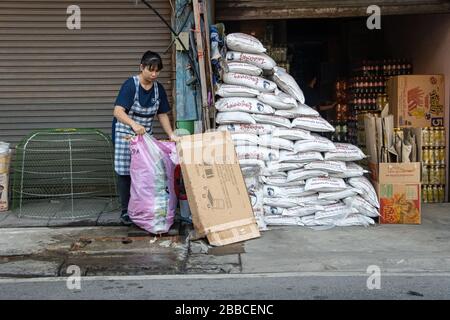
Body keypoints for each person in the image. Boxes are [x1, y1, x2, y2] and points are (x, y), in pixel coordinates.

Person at [112, 50, 179, 226]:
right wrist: (133, 124)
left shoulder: (158, 89)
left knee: (144, 171)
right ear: (142, 67)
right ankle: (125, 210)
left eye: (157, 71)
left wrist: (171, 134)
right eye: (151, 70)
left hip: (144, 136)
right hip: (124, 134)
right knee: (125, 172)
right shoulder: (131, 85)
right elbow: (118, 111)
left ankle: (142, 207)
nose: (154, 74)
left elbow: (162, 114)